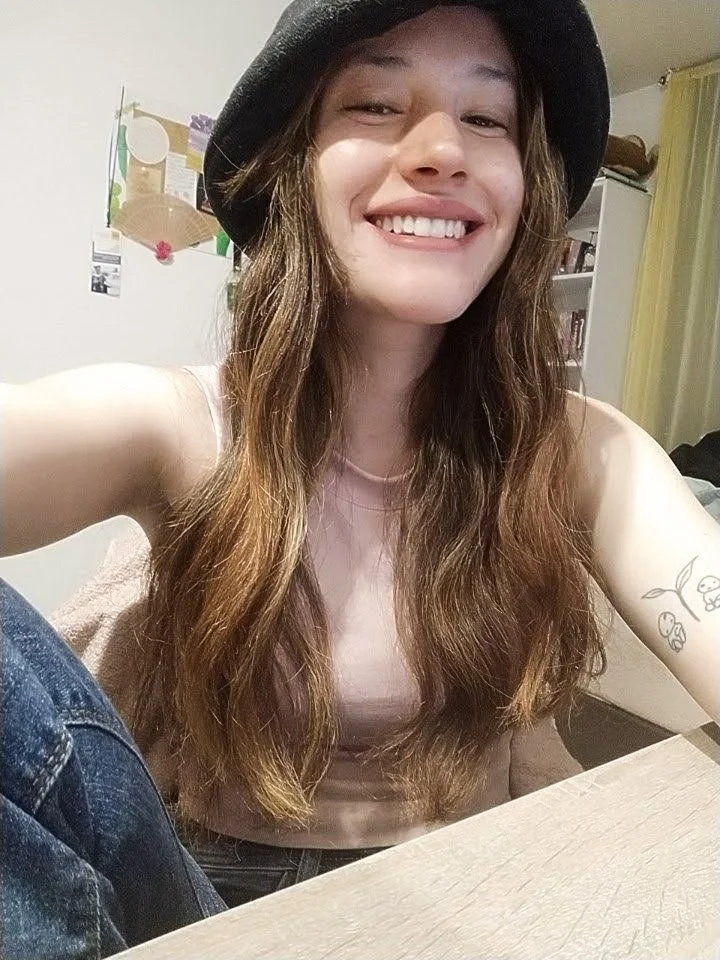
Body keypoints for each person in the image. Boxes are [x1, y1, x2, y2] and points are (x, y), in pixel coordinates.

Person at [2, 0, 719, 955]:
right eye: (377, 104)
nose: (442, 150)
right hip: (201, 899)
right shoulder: (180, 425)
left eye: (487, 118)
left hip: (462, 894)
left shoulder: (578, 449)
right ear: (295, 164)